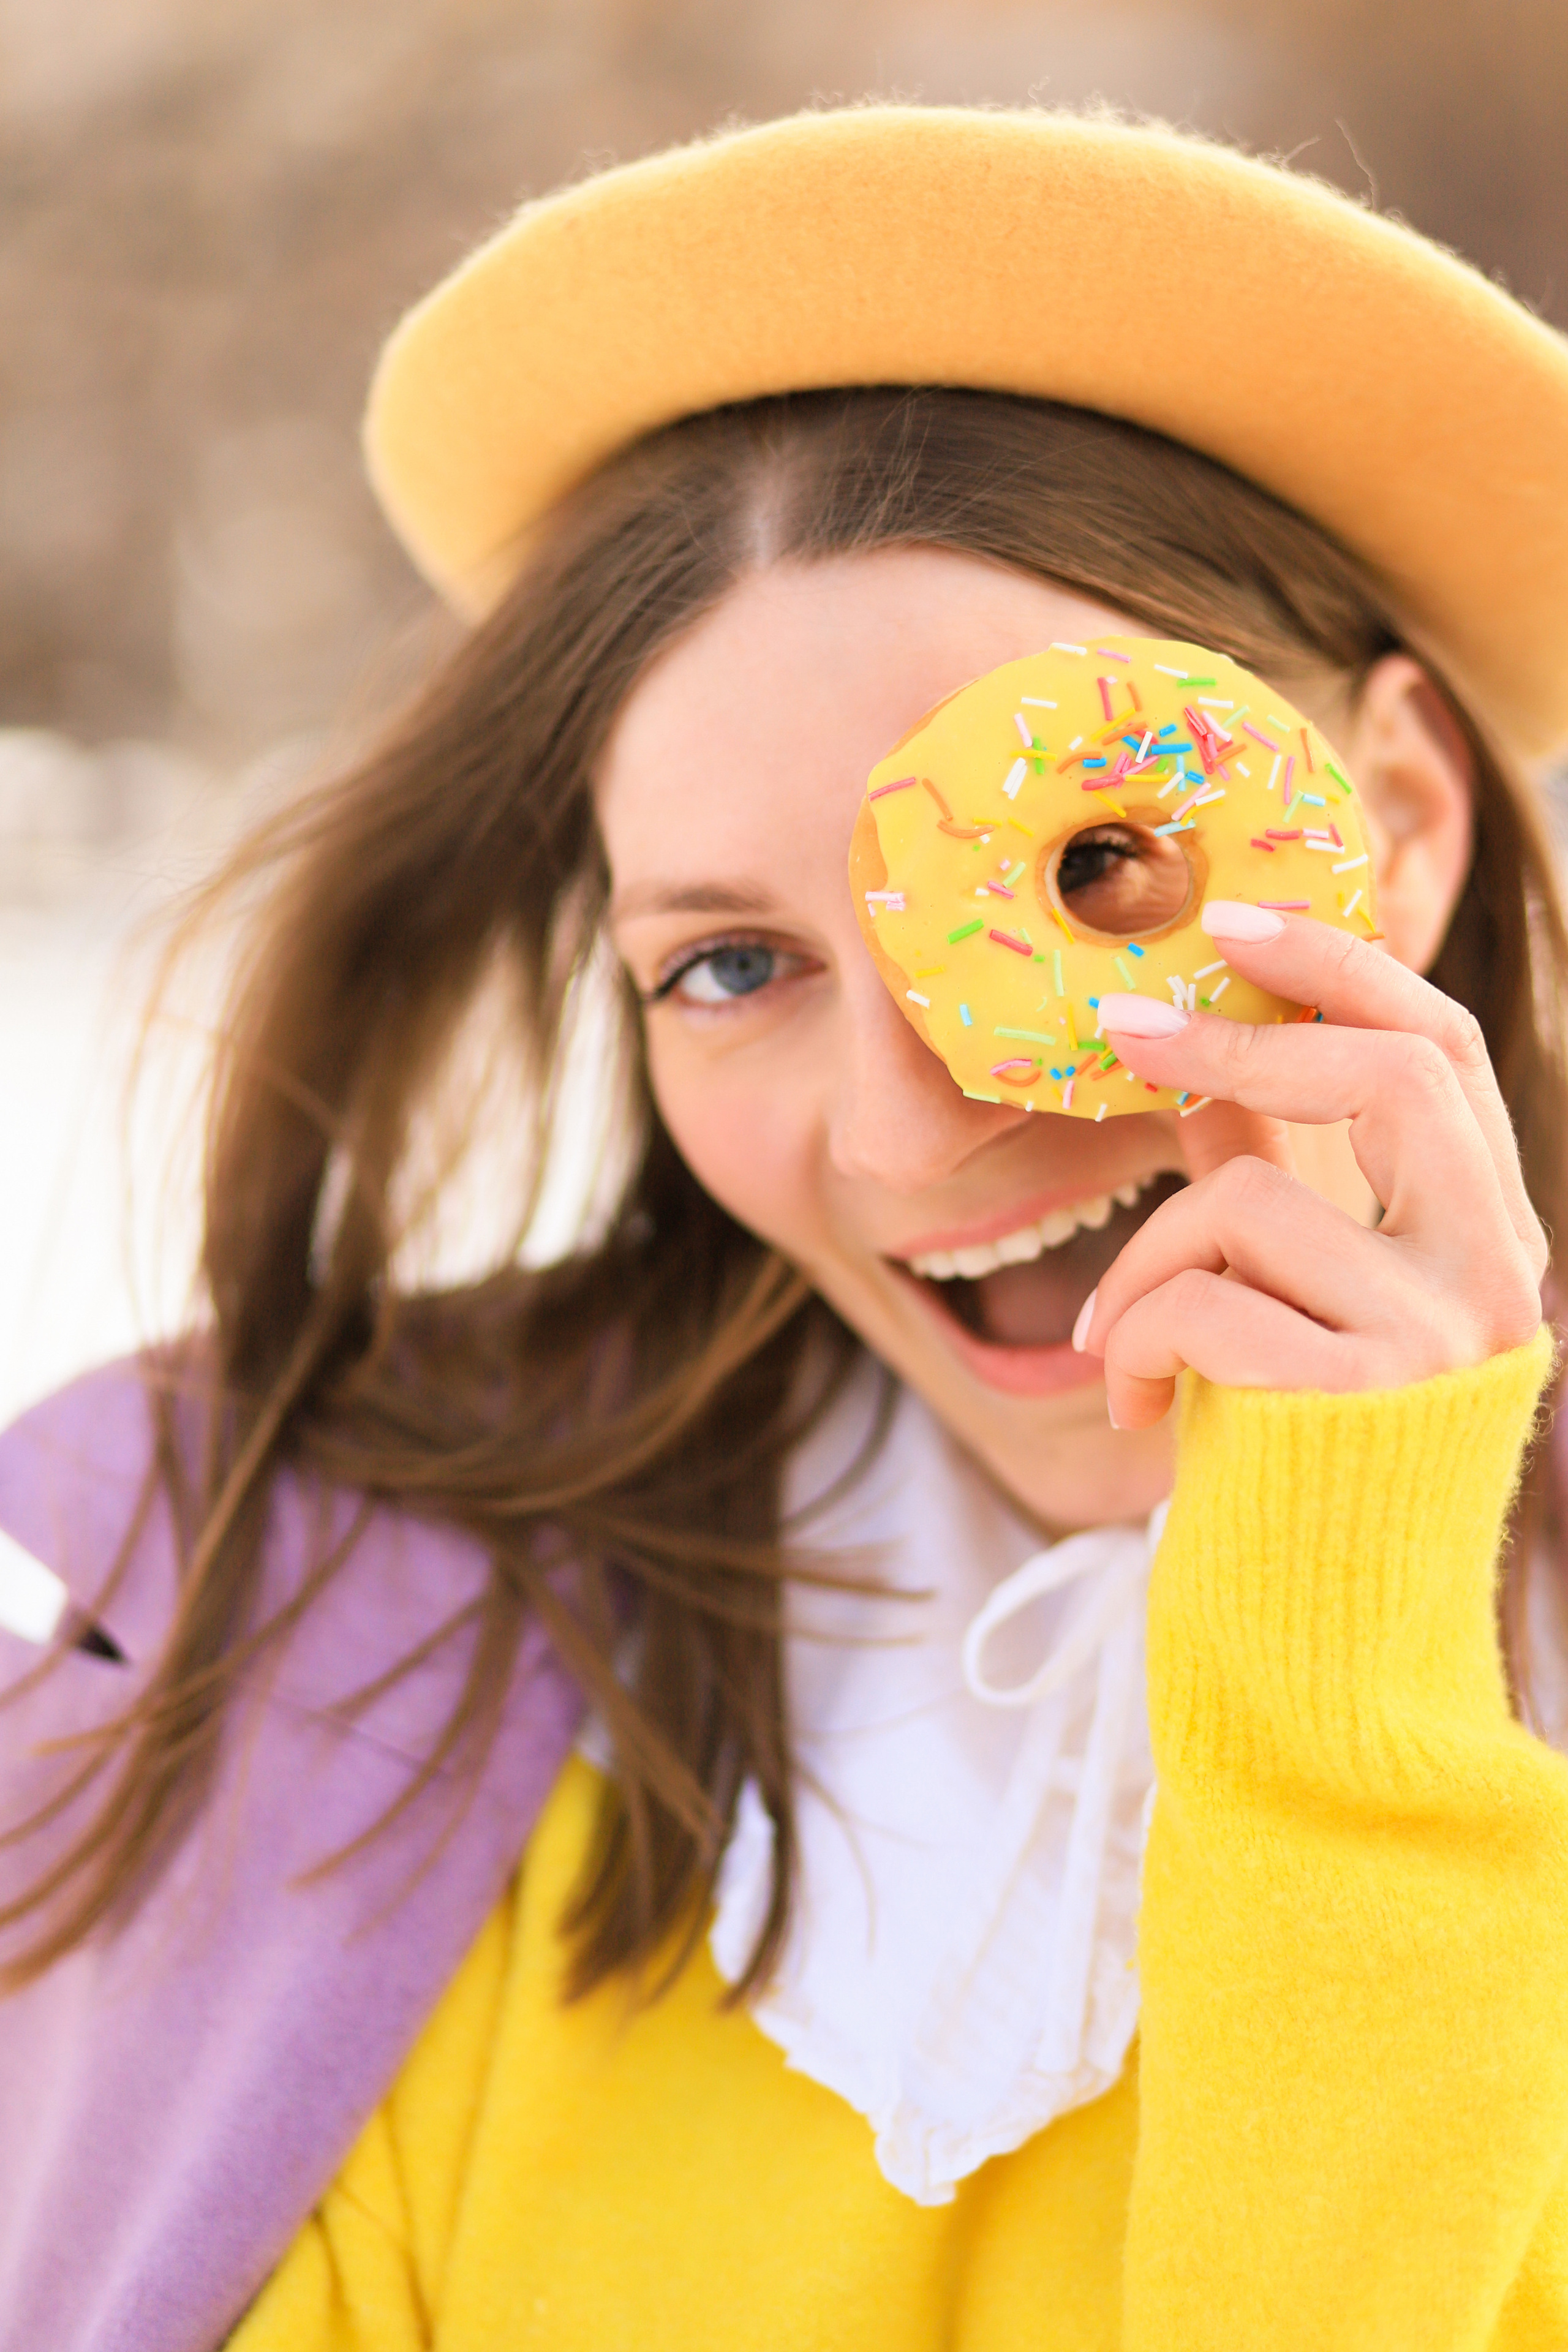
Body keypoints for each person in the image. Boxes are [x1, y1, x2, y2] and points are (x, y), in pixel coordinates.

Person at [4, 103, 1568, 2352]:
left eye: (1095, 876)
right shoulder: (309, 1708)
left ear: (1393, 823)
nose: (909, 1137)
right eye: (728, 966)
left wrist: (1351, 1662)